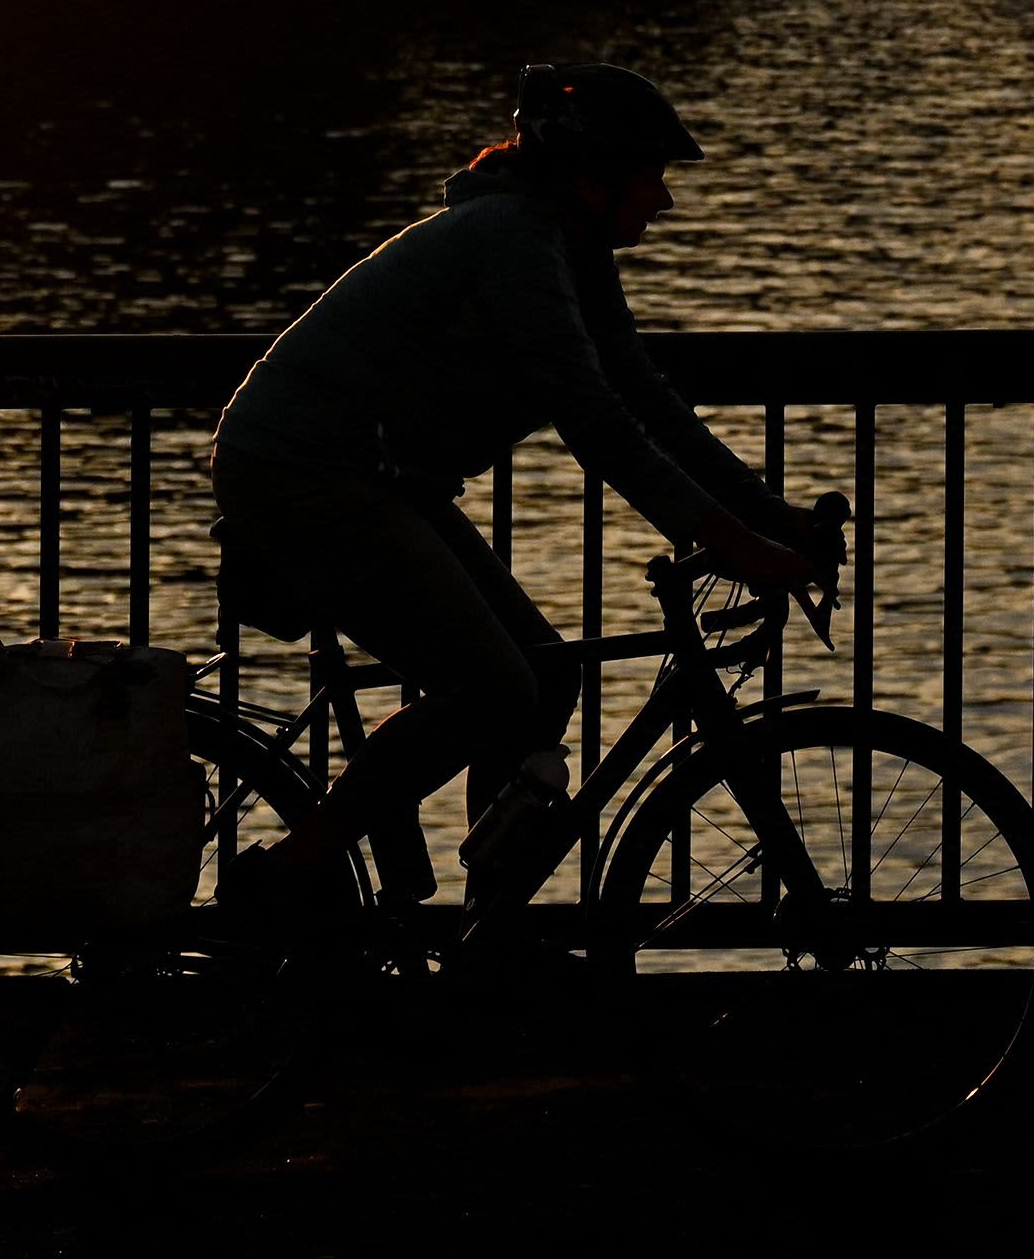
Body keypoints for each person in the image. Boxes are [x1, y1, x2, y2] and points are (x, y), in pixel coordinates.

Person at [210, 61, 825, 908]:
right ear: (593, 177)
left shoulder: (564, 242)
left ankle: (489, 932)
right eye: (651, 178)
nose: (665, 201)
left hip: (380, 472)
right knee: (490, 686)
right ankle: (287, 874)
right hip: (306, 467)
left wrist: (767, 516)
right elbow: (594, 418)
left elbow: (644, 397)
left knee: (541, 671)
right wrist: (734, 542)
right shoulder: (513, 238)